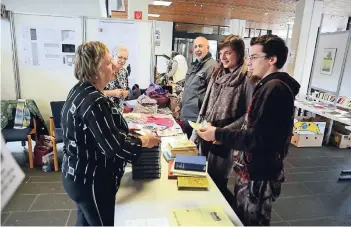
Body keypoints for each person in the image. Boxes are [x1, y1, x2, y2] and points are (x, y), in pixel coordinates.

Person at [196, 35, 300, 226]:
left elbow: (258, 137)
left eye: (253, 57)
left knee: (252, 221)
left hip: (260, 173)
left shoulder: (275, 89)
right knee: (241, 217)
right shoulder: (267, 86)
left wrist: (218, 133)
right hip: (252, 171)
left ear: (272, 59)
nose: (249, 62)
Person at [61, 41, 160, 226]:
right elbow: (114, 147)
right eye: (108, 63)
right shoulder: (96, 100)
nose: (113, 66)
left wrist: (122, 130)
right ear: (94, 69)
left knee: (84, 222)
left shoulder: (79, 90)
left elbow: (95, 131)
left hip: (75, 175)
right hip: (91, 181)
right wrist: (144, 141)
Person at [190, 35, 254, 205]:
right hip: (206, 133)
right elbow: (206, 106)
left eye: (228, 53)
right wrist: (196, 134)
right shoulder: (217, 73)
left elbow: (248, 115)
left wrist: (221, 133)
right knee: (201, 177)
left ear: (239, 54)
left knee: (218, 182)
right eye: (221, 53)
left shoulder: (246, 79)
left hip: (225, 140)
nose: (223, 57)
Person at [181, 36, 217, 138]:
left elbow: (213, 95)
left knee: (195, 150)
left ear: (208, 48)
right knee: (187, 149)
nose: (197, 49)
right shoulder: (195, 65)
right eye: (195, 46)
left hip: (198, 118)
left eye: (200, 46)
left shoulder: (212, 66)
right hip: (187, 115)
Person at [104, 46, 130, 113]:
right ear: (113, 56)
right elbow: (95, 92)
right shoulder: (105, 70)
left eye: (125, 59)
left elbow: (126, 88)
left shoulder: (124, 71)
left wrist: (126, 93)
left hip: (119, 111)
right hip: (105, 110)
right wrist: (114, 93)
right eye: (120, 57)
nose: (122, 61)